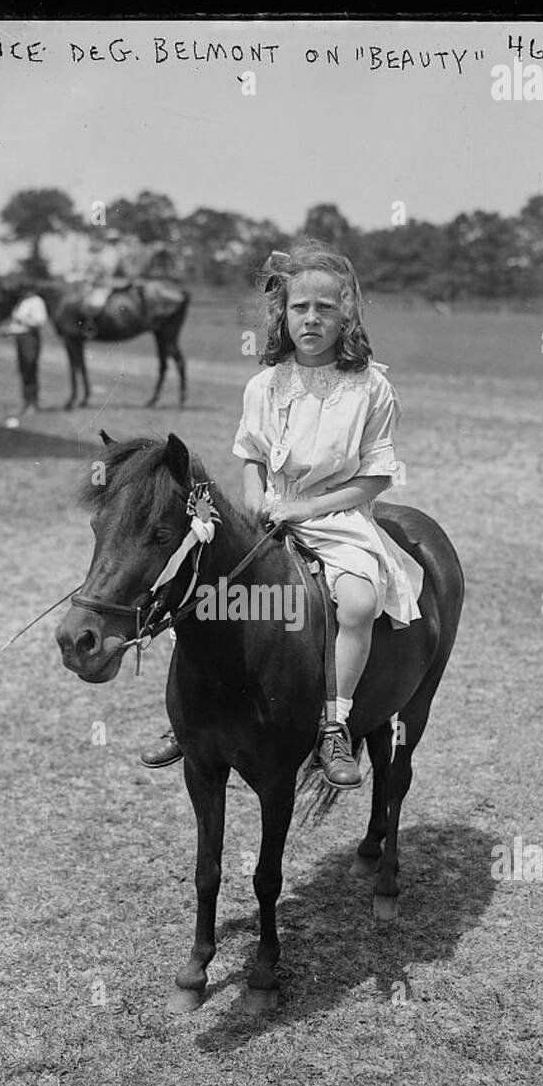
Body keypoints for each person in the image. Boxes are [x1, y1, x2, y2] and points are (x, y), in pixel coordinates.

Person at [140, 240, 424, 789]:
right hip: (267, 513)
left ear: (347, 314)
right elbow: (248, 453)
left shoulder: (372, 388)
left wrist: (308, 507)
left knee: (360, 601)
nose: (312, 319)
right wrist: (255, 499)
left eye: (325, 308)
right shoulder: (265, 384)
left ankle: (334, 725)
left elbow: (376, 476)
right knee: (199, 588)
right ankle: (189, 718)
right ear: (283, 315)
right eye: (300, 308)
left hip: (337, 516)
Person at [0, 282, 48, 416]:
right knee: (23, 371)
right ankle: (26, 402)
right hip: (20, 338)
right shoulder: (22, 302)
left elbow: (39, 321)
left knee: (30, 369)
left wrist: (22, 319)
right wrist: (8, 330)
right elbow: (17, 324)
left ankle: (33, 403)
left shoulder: (37, 302)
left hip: (30, 339)